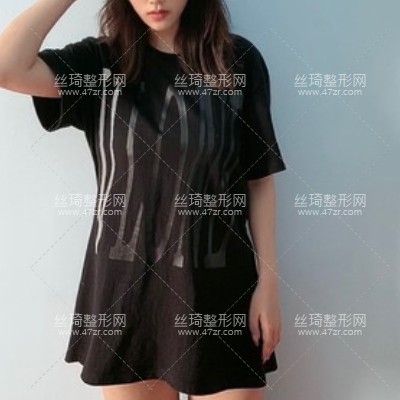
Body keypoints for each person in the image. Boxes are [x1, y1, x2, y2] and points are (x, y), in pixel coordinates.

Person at [0, 0, 287, 399]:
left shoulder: (236, 62)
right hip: (126, 300)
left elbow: (258, 180)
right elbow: (7, 68)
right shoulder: (100, 66)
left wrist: (269, 285)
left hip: (220, 293)